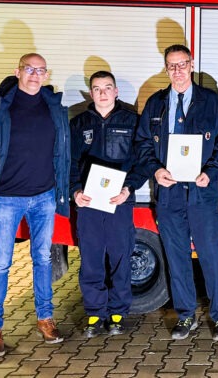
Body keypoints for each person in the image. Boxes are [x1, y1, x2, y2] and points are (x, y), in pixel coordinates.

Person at [0, 53, 70, 358]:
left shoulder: (54, 109)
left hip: (44, 196)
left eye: (41, 71)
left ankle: (45, 319)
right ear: (17, 72)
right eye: (30, 70)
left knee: (42, 259)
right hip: (6, 198)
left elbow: (62, 150)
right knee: (1, 263)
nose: (35, 75)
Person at [135, 44, 218, 341]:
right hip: (170, 194)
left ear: (192, 65)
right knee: (176, 258)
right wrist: (155, 170)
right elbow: (142, 144)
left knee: (212, 257)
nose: (177, 70)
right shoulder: (156, 103)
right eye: (171, 65)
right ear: (166, 69)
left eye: (182, 64)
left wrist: (211, 172)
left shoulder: (210, 101)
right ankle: (186, 316)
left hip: (202, 194)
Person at [69, 70, 146, 338]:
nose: (102, 93)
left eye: (107, 87)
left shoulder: (132, 122)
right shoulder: (78, 124)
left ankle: (117, 313)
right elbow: (68, 162)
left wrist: (129, 188)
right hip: (88, 203)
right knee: (91, 259)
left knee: (120, 257)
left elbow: (143, 161)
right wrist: (75, 191)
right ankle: (93, 313)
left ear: (116, 92)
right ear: (91, 94)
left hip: (119, 201)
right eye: (97, 88)